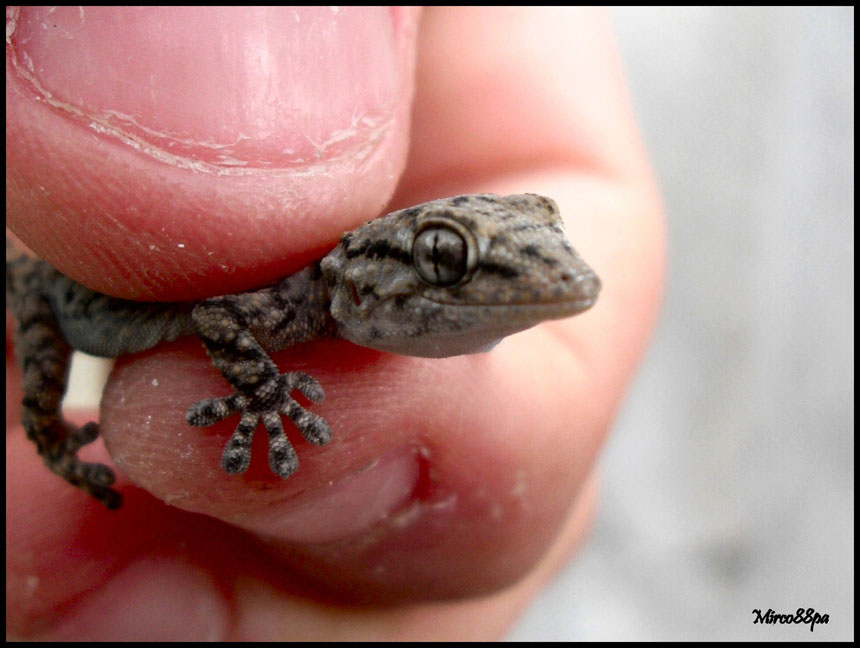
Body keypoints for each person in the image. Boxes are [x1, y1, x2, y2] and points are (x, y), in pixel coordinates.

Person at [6, 7, 664, 640]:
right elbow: (217, 317)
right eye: (445, 256)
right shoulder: (293, 298)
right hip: (49, 293)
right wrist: (265, 397)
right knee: (43, 398)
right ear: (367, 270)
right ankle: (50, 438)